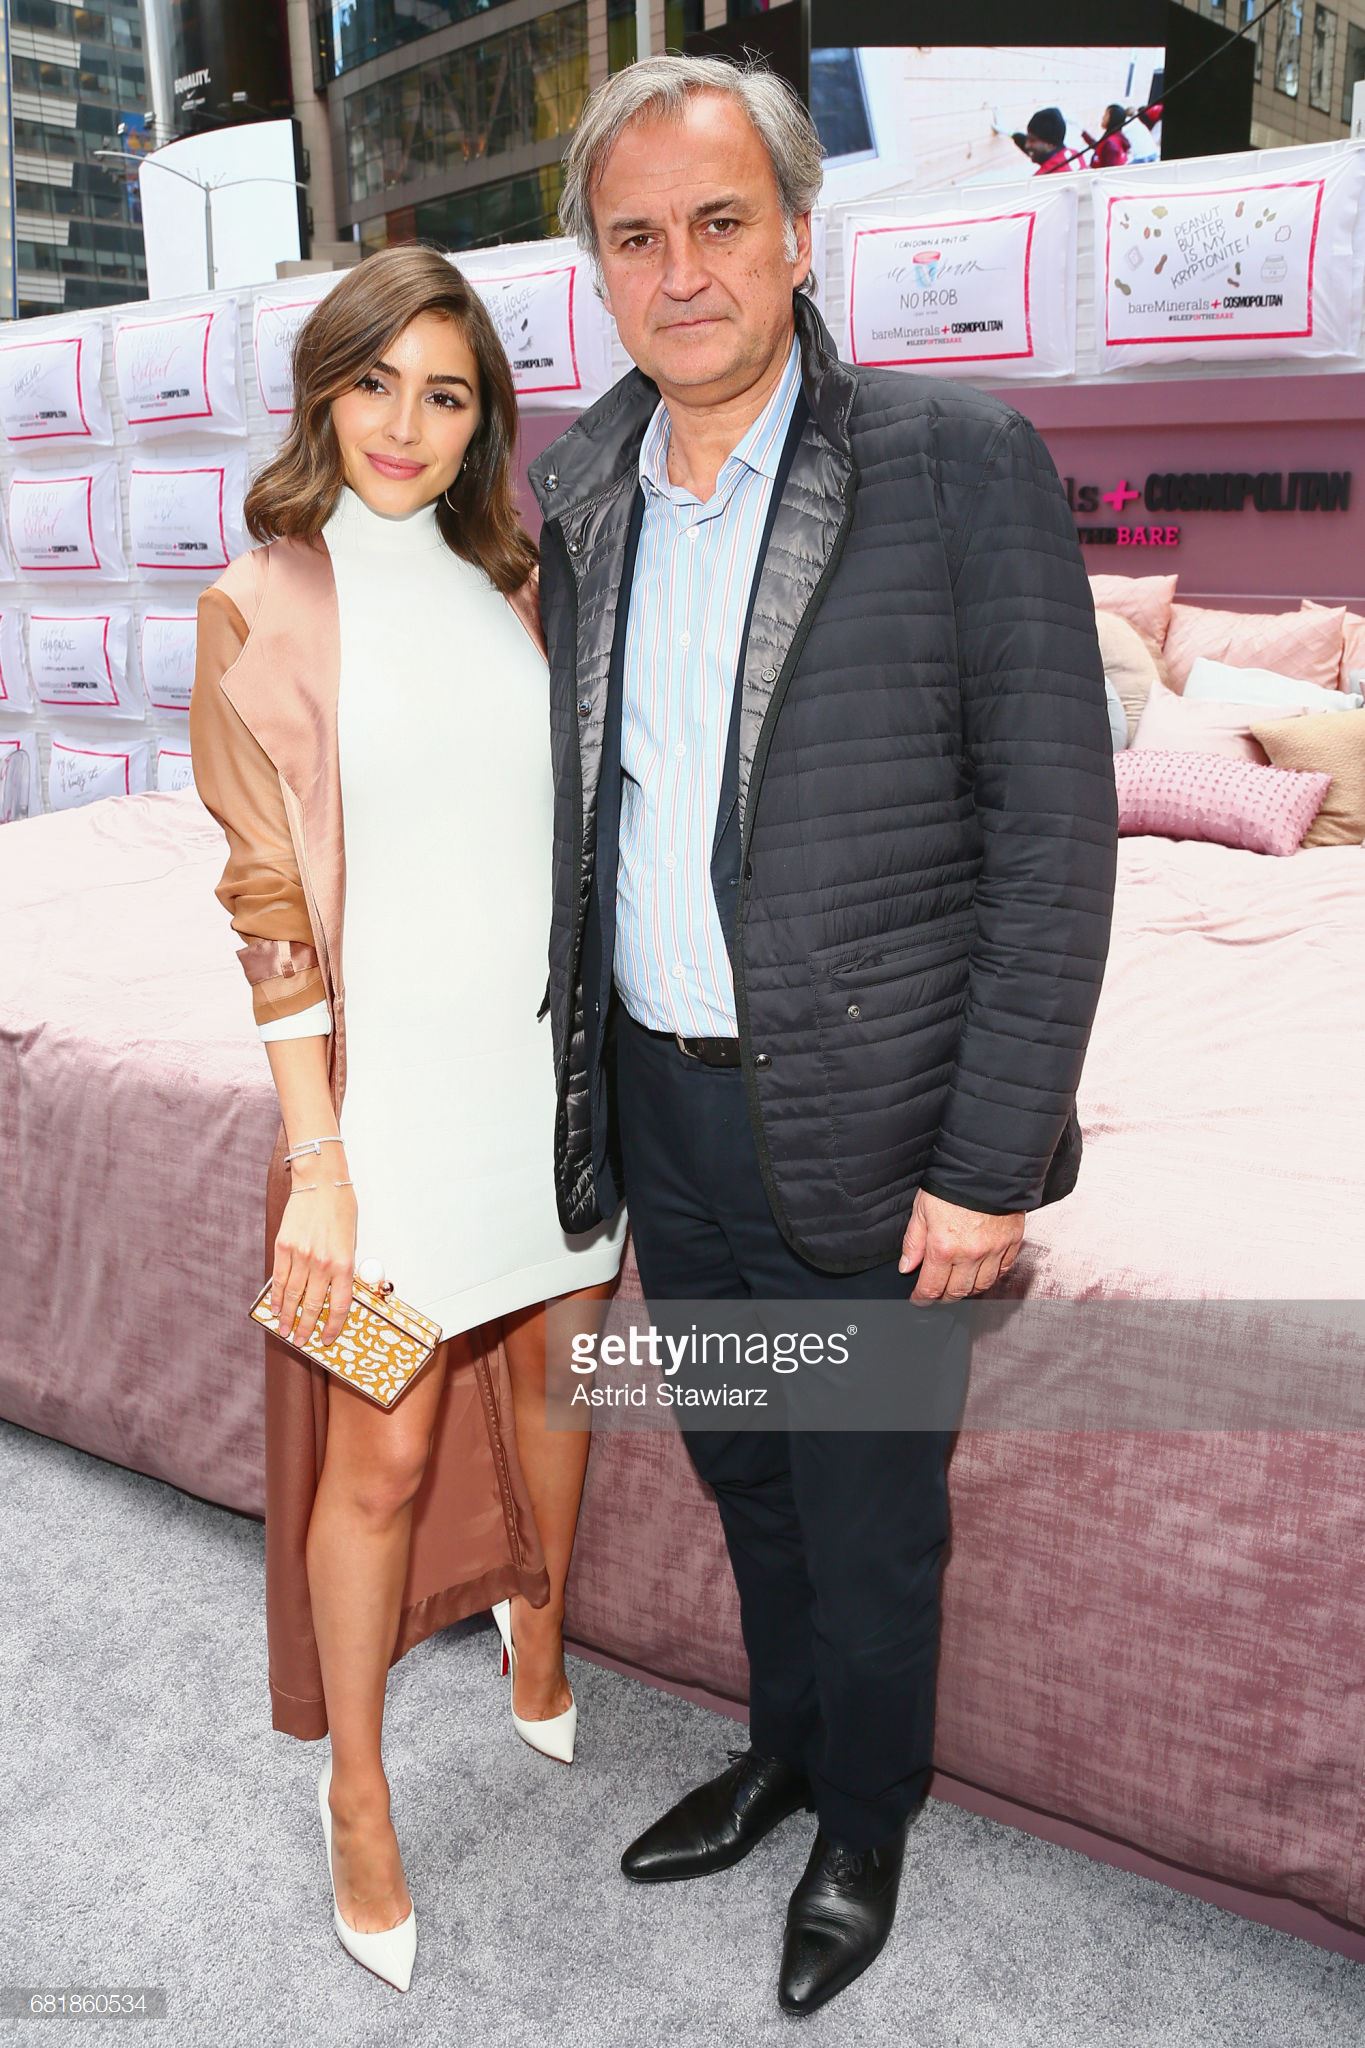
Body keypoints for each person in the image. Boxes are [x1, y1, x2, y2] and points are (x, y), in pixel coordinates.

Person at [534, 54, 1117, 2018]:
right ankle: (782, 1752)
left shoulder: (956, 463)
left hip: (873, 1130)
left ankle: (865, 1820)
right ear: (598, 271)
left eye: (719, 222)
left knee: (868, 1525)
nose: (680, 270)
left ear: (798, 236)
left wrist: (987, 1159)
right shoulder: (583, 490)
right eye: (635, 237)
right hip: (666, 1114)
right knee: (750, 1478)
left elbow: (1054, 836)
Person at [188, 244, 627, 1995]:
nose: (403, 423)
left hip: (552, 1098)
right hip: (386, 1127)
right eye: (375, 382)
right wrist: (319, 1164)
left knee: (561, 1387)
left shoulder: (516, 583)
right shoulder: (260, 602)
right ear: (324, 388)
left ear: (482, 420)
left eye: (444, 395)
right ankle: (358, 1794)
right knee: (373, 1458)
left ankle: (542, 1631)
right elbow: (269, 912)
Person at [1011, 104, 1075, 174]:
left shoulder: (1043, 176)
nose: (1026, 145)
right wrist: (1015, 137)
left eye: (1032, 140)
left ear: (1051, 144)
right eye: (1028, 138)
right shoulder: (1074, 154)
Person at [1083, 103, 1133, 169]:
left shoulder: (1111, 143)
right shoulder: (1115, 136)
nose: (1103, 117)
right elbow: (1100, 147)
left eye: (1106, 115)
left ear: (1113, 119)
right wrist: (1083, 133)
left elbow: (1108, 170)